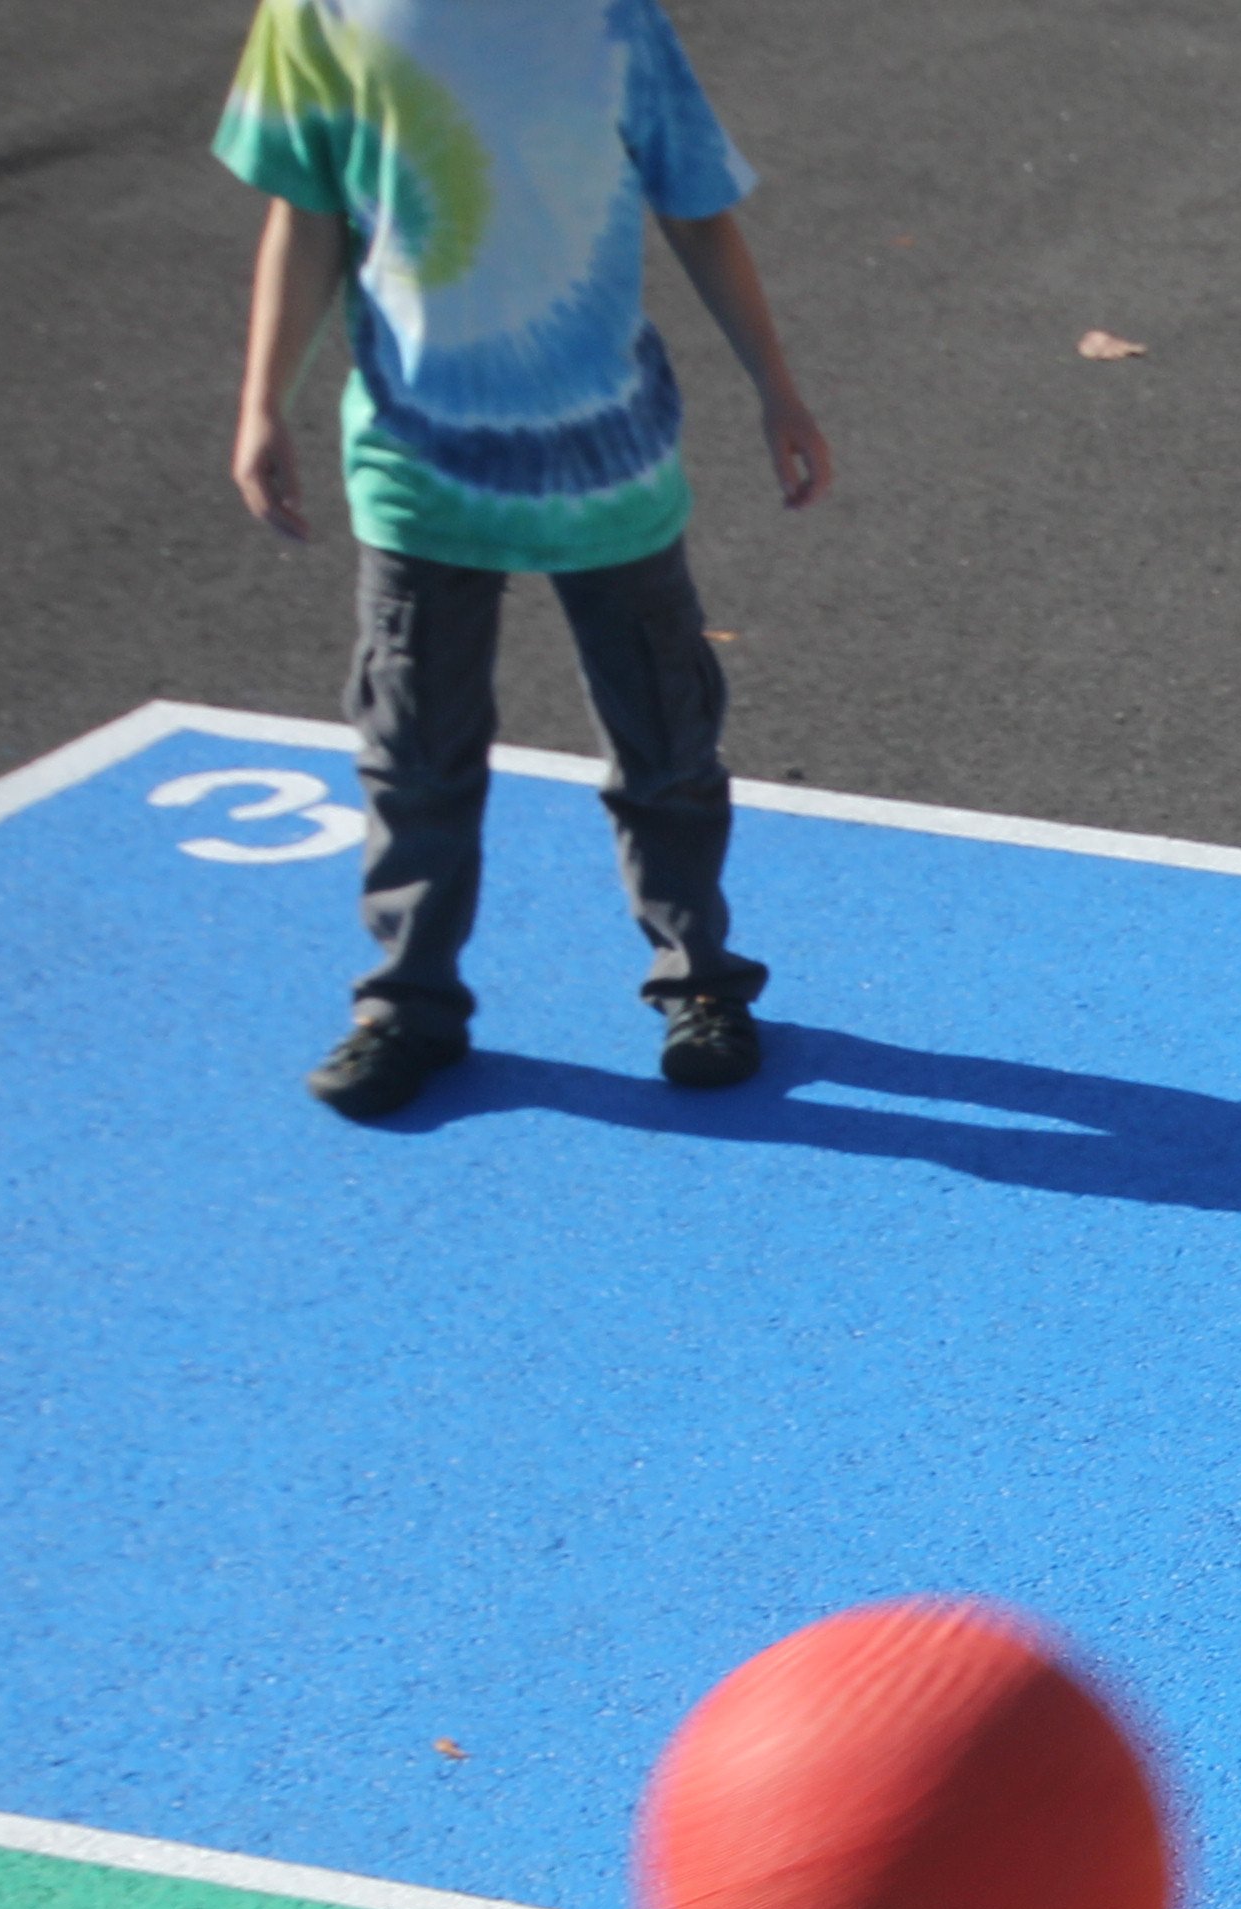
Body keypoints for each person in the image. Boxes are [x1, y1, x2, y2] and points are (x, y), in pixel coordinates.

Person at [218, 0, 831, 1123]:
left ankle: (699, 981)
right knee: (413, 751)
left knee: (664, 739)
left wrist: (775, 387)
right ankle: (406, 1007)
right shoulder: (321, 11)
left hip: (610, 461)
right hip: (416, 461)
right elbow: (301, 212)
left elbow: (694, 205)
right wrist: (264, 403)